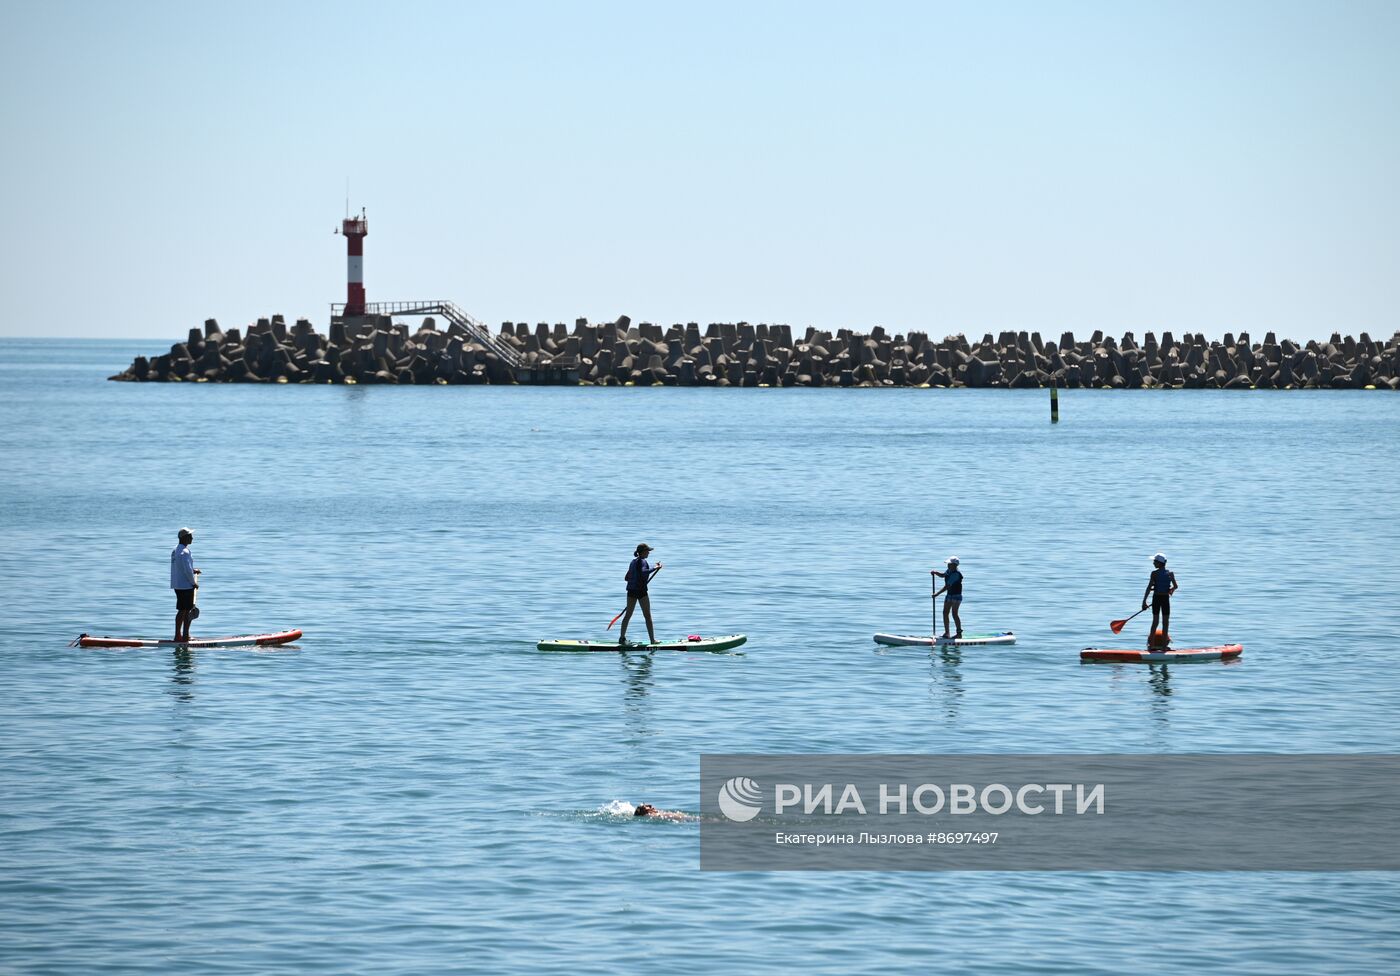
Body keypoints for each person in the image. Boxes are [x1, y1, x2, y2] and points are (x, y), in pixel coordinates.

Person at [618, 543, 661, 646]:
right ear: (643, 552)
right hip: (641, 592)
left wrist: (635, 579)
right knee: (647, 616)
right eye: (648, 551)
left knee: (628, 615)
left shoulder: (632, 562)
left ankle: (622, 638)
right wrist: (655, 568)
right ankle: (652, 640)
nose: (649, 553)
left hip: (631, 591)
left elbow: (626, 577)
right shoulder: (643, 561)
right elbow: (643, 572)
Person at [1141, 553, 1178, 648]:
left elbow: (1149, 587)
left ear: (1159, 563)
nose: (1153, 563)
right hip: (1165, 599)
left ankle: (1152, 646)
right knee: (1165, 622)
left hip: (1156, 598)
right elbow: (1176, 586)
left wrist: (1144, 601)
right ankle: (1164, 647)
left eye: (1154, 561)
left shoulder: (1154, 573)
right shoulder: (1170, 573)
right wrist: (1171, 590)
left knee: (1155, 622)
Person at [170, 528, 201, 642]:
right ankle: (184, 636)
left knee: (182, 610)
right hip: (186, 586)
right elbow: (186, 570)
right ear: (184, 538)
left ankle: (179, 635)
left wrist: (193, 570)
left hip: (178, 585)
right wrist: (194, 583)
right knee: (185, 611)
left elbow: (183, 567)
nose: (192, 538)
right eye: (190, 536)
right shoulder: (185, 552)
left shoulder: (175, 550)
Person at [931, 556, 963, 639]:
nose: (948, 565)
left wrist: (937, 594)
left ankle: (959, 634)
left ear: (954, 565)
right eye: (948, 564)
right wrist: (935, 572)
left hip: (956, 596)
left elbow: (947, 586)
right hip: (949, 595)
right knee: (945, 613)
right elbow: (943, 575)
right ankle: (947, 633)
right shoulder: (949, 571)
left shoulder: (956, 574)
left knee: (954, 614)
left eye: (949, 564)